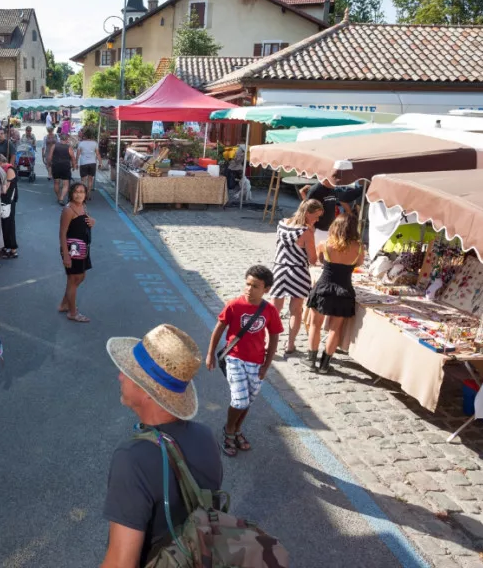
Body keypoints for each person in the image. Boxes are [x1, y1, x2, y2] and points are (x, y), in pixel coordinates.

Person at [102, 324, 222, 567]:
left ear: (148, 392)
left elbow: (120, 563)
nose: (120, 375)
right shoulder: (207, 437)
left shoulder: (132, 460)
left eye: (128, 372)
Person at [204, 265, 282, 457]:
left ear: (266, 289)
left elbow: (273, 337)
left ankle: (238, 430)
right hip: (234, 358)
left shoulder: (269, 311)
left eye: (255, 286)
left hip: (256, 362)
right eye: (247, 284)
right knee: (239, 401)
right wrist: (210, 353)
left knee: (247, 401)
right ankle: (229, 431)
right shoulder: (234, 305)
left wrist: (266, 364)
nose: (249, 289)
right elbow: (219, 328)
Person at [307, 214, 363, 374]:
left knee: (315, 325)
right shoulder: (358, 248)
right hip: (344, 290)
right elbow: (359, 263)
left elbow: (318, 260)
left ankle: (311, 362)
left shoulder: (325, 244)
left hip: (324, 288)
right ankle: (325, 364)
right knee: (334, 330)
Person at [270, 199, 323, 354]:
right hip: (297, 272)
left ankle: (268, 343)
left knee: (274, 311)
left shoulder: (282, 224)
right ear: (308, 213)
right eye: (316, 216)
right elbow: (312, 259)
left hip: (279, 269)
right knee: (296, 311)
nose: (317, 220)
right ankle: (290, 344)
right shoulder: (306, 232)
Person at [59, 182, 94, 323]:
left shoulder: (83, 207)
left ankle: (64, 304)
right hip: (72, 250)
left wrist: (92, 221)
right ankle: (72, 312)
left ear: (86, 194)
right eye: (76, 191)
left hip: (83, 249)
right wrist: (66, 254)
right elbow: (62, 233)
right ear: (71, 193)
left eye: (82, 191)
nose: (79, 194)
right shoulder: (68, 210)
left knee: (80, 277)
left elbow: (85, 222)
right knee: (73, 279)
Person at [299, 180, 363, 244]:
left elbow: (340, 200)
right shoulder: (315, 190)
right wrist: (311, 230)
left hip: (329, 229)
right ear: (327, 179)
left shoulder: (333, 189)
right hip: (317, 230)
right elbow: (307, 211)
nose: (337, 183)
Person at [0, 154, 19, 260]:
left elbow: (6, 188)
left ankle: (12, 249)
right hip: (6, 200)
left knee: (8, 224)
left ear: (1, 163)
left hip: (8, 201)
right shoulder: (7, 169)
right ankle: (7, 247)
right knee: (5, 224)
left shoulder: (10, 170)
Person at [75, 128, 100, 200]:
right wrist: (100, 162)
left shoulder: (81, 143)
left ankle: (83, 194)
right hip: (92, 163)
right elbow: (97, 154)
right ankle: (88, 193)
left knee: (83, 180)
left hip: (83, 163)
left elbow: (78, 154)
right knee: (90, 179)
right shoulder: (95, 143)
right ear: (91, 136)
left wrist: (76, 163)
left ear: (85, 136)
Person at [50, 133, 75, 205]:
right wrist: (73, 165)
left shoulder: (54, 146)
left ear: (60, 139)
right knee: (66, 184)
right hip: (65, 166)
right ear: (67, 140)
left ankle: (58, 197)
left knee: (56, 182)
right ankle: (61, 198)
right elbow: (73, 157)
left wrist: (49, 164)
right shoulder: (69, 147)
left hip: (56, 165)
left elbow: (49, 157)